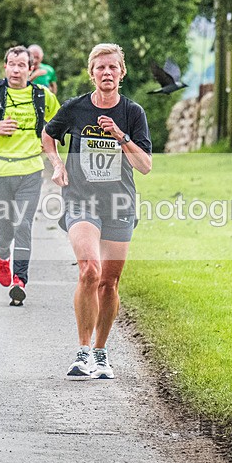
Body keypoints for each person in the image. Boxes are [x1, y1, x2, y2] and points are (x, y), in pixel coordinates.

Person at [42, 43, 152, 379]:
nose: (107, 73)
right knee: (89, 270)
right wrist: (58, 165)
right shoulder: (75, 108)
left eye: (113, 68)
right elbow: (48, 135)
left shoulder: (133, 114)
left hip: (119, 203)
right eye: (100, 68)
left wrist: (120, 135)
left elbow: (145, 165)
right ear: (92, 73)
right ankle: (83, 351)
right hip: (81, 199)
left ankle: (102, 354)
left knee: (109, 282)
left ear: (122, 73)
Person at [0, 46, 60, 306]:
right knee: (6, 227)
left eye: (22, 65)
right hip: (0, 171)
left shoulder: (43, 96)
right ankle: (2, 254)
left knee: (24, 224)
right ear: (5, 66)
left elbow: (59, 123)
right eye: (12, 64)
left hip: (30, 171)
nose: (16, 69)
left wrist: (50, 141)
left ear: (31, 70)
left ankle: (20, 281)